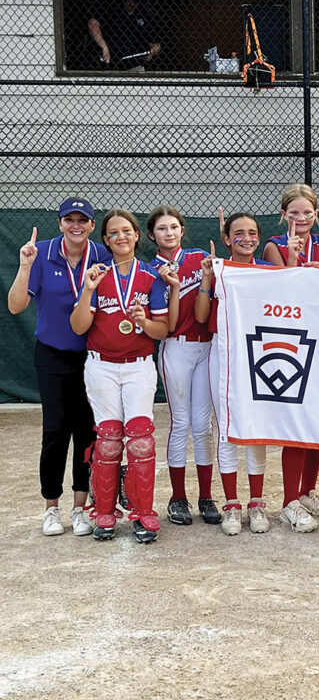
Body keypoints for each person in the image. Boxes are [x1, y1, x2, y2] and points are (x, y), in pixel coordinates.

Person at [7, 198, 111, 537]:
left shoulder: (101, 255)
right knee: (55, 431)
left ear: (92, 226)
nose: (76, 225)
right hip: (51, 354)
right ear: (60, 223)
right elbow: (15, 306)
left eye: (83, 219)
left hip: (92, 356)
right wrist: (24, 266)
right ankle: (51, 508)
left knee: (85, 431)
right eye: (70, 219)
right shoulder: (41, 254)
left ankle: (80, 508)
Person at [70, 209, 171, 544]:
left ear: (137, 235)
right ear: (105, 240)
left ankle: (143, 513)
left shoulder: (150, 276)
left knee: (140, 438)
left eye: (126, 231)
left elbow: (162, 330)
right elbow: (79, 326)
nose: (121, 237)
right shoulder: (97, 275)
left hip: (138, 364)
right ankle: (104, 512)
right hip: (101, 365)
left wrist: (143, 321)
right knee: (109, 439)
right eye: (113, 233)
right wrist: (87, 291)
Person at [263, 184, 319, 530]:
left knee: (316, 418)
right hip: (291, 338)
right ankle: (289, 500)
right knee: (295, 423)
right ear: (283, 215)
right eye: (293, 212)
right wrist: (292, 257)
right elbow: (284, 288)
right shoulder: (273, 245)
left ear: (316, 215)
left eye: (307, 212)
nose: (301, 218)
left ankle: (308, 490)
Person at [195, 213, 272, 536]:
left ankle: (256, 502)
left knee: (255, 425)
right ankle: (231, 503)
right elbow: (201, 317)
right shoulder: (219, 270)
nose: (247, 238)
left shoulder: (269, 272)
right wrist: (207, 279)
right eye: (238, 233)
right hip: (223, 352)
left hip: (259, 353)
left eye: (252, 232)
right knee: (225, 425)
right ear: (226, 239)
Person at [146, 206, 221, 527]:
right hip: (176, 347)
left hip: (207, 346)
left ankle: (206, 495)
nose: (169, 233)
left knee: (203, 425)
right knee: (180, 423)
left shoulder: (198, 257)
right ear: (151, 235)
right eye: (162, 228)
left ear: (182, 230)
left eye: (174, 227)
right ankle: (178, 497)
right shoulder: (151, 270)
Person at [88, 0, 161, 71]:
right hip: (110, 64)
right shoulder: (111, 10)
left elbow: (156, 44)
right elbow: (93, 24)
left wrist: (152, 51)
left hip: (135, 65)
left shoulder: (145, 15)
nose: (132, 3)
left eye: (136, 1)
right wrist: (104, 47)